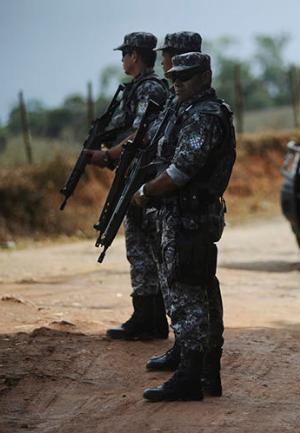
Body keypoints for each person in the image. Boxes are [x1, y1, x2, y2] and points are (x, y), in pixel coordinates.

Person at [131, 52, 235, 402]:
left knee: (188, 293)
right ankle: (205, 373)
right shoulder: (185, 108)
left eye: (186, 78)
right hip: (184, 216)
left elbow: (181, 171)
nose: (177, 84)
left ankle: (191, 377)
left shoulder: (205, 115)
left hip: (190, 220)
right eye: (174, 77)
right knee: (198, 289)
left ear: (206, 76)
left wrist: (146, 192)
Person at [87, 32, 169, 340]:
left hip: (143, 179)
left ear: (135, 55)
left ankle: (149, 319)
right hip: (136, 176)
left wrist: (108, 154)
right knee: (141, 248)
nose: (122, 59)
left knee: (143, 248)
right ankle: (147, 317)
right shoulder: (137, 88)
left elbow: (141, 135)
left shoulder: (149, 88)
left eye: (125, 54)